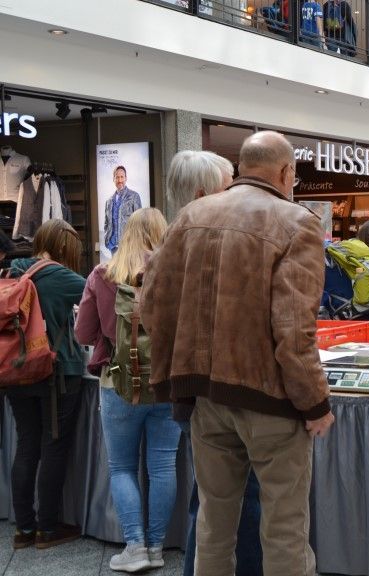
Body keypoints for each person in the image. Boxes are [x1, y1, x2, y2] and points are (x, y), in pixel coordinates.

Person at [139, 131, 334, 576]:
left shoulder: (191, 215)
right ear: (286, 172)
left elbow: (153, 304)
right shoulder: (298, 222)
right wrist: (315, 403)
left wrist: (180, 375)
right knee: (284, 530)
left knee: (213, 524)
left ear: (242, 166)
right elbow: (294, 329)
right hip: (272, 403)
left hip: (207, 400)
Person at [159, 149, 264, 576]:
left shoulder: (176, 243)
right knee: (233, 499)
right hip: (216, 394)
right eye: (227, 188)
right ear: (205, 194)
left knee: (209, 500)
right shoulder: (197, 246)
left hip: (199, 393)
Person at [76, 208, 181, 572]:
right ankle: (156, 548)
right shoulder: (174, 274)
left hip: (116, 383)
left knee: (121, 467)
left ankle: (134, 547)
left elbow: (84, 334)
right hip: (166, 384)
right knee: (163, 465)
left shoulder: (102, 275)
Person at [6, 219, 86, 550]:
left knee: (27, 445)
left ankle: (24, 529)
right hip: (58, 374)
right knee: (53, 447)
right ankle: (48, 529)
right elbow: (100, 298)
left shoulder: (13, 271)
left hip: (16, 368)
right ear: (65, 248)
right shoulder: (65, 277)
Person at [104, 165, 144, 254]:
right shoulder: (109, 201)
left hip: (128, 246)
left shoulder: (134, 197)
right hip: (113, 246)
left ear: (126, 178)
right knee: (115, 268)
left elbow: (139, 222)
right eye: (117, 177)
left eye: (122, 177)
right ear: (113, 179)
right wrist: (107, 239)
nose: (120, 180)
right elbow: (106, 223)